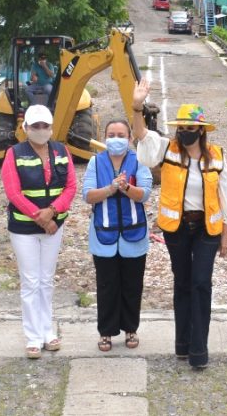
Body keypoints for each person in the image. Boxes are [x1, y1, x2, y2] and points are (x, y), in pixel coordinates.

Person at [132, 80, 227, 369]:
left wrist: (226, 234)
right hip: (176, 229)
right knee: (182, 283)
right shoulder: (166, 149)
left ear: (201, 130)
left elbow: (225, 197)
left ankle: (199, 351)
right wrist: (137, 106)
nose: (184, 132)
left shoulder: (216, 157)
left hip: (207, 230)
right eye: (181, 127)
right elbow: (141, 135)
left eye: (190, 128)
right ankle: (182, 344)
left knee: (201, 283)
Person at [1, 104, 77, 358]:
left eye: (45, 126)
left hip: (54, 225)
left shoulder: (61, 151)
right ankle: (32, 336)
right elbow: (13, 192)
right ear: (26, 128)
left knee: (46, 280)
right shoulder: (14, 153)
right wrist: (41, 218)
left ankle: (47, 331)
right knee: (31, 281)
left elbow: (70, 187)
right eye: (36, 126)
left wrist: (53, 211)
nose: (41, 130)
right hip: (24, 228)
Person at [83, 119, 153, 352]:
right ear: (104, 137)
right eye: (111, 134)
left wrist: (126, 188)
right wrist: (111, 188)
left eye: (121, 134)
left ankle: (131, 329)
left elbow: (145, 194)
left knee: (133, 286)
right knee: (106, 286)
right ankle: (106, 332)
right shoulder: (95, 162)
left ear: (129, 138)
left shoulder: (139, 160)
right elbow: (88, 195)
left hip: (134, 235)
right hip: (103, 235)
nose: (116, 138)